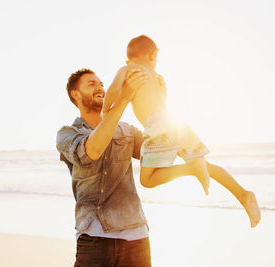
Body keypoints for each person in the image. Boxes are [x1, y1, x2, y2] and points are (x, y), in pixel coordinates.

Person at [103, 34, 261, 228]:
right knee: (206, 165)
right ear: (153, 56)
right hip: (177, 123)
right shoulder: (157, 77)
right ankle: (243, 194)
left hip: (159, 128)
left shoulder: (128, 69)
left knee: (148, 180)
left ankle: (190, 169)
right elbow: (159, 102)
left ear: (128, 59)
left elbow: (112, 91)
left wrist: (105, 108)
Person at [56, 68, 152, 266]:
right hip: (93, 239)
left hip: (136, 237)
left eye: (101, 84)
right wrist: (123, 100)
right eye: (92, 84)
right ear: (75, 94)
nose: (100, 87)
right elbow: (92, 150)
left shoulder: (126, 130)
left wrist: (159, 101)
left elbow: (158, 152)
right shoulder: (67, 134)